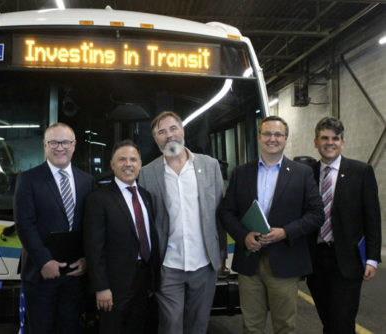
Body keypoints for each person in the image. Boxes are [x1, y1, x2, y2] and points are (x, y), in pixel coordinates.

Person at [220, 115, 324, 334]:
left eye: (278, 134)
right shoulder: (241, 173)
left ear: (285, 139)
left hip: (285, 262)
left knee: (285, 326)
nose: (272, 139)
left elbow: (316, 214)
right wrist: (243, 236)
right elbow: (226, 212)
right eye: (267, 133)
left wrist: (286, 232)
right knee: (251, 326)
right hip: (250, 262)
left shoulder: (301, 173)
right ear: (259, 137)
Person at [138, 111, 225, 334]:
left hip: (204, 263)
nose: (169, 135)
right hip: (168, 265)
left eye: (173, 128)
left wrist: (221, 254)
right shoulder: (147, 173)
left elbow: (219, 213)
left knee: (199, 324)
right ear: (156, 139)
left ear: (182, 131)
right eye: (162, 132)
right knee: (171, 325)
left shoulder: (210, 165)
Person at [14, 123, 95, 334]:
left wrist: (87, 259)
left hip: (75, 276)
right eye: (54, 142)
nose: (60, 147)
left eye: (65, 142)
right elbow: (25, 225)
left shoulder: (87, 181)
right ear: (44, 145)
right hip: (41, 275)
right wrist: (44, 261)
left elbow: (91, 226)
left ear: (74, 145)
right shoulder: (28, 180)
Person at [306, 117, 382, 334]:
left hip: (347, 262)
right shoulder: (306, 174)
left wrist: (372, 258)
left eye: (335, 138)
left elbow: (372, 218)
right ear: (316, 142)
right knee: (328, 320)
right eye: (325, 138)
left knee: (342, 323)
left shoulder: (361, 172)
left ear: (342, 142)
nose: (330, 143)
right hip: (316, 262)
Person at [84, 140, 160, 334]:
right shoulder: (99, 199)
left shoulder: (146, 196)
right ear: (112, 165)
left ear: (140, 164)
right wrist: (101, 287)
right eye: (122, 159)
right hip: (114, 285)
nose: (128, 164)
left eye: (133, 159)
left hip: (143, 282)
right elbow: (94, 247)